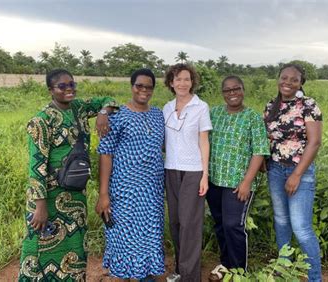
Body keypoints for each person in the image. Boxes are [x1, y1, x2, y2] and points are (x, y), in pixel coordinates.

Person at [19, 68, 118, 281]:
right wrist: (41, 205)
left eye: (72, 84)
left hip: (75, 196)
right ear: (50, 90)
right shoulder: (41, 121)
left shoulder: (80, 108)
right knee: (39, 249)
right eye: (62, 86)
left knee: (74, 248)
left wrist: (102, 113)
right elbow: (37, 166)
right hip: (48, 196)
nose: (69, 89)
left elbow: (109, 100)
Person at [96, 68, 165, 281]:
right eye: (139, 86)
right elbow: (105, 154)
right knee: (124, 233)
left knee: (149, 233)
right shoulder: (117, 116)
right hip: (125, 188)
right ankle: (125, 274)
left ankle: (145, 274)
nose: (144, 90)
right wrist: (104, 194)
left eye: (148, 87)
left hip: (152, 188)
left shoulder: (158, 114)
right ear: (132, 86)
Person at [263, 63, 323, 281]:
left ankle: (314, 277)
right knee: (281, 221)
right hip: (275, 170)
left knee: (301, 227)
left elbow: (315, 142)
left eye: (293, 79)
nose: (287, 82)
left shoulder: (308, 105)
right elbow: (266, 139)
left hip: (300, 171)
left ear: (300, 83)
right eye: (284, 78)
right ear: (278, 78)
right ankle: (284, 268)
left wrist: (296, 175)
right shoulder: (271, 106)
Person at [207, 76, 270, 280]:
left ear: (243, 90)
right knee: (220, 223)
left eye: (236, 89)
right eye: (227, 90)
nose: (232, 93)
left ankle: (238, 272)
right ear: (222, 93)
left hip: (238, 183)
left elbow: (259, 151)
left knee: (233, 225)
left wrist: (246, 182)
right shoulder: (214, 113)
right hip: (214, 180)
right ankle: (225, 264)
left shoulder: (252, 117)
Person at [163, 63, 212, 282]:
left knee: (189, 223)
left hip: (193, 171)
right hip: (170, 169)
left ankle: (190, 277)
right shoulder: (166, 107)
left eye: (186, 79)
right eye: (177, 79)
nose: (182, 83)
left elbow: (204, 141)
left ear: (192, 82)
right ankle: (180, 270)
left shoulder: (200, 107)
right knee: (175, 221)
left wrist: (205, 175)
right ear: (171, 83)